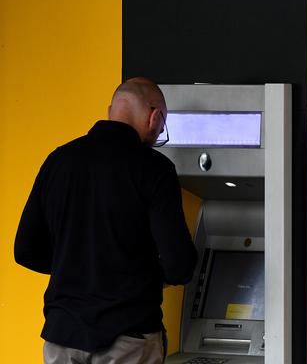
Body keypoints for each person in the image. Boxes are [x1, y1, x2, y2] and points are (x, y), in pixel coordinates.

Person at [14, 78, 198, 364]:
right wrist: (141, 277)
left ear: (111, 110)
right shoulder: (154, 169)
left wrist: (79, 268)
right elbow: (179, 263)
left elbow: (25, 249)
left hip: (63, 336)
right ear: (155, 117)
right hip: (128, 336)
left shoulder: (59, 161)